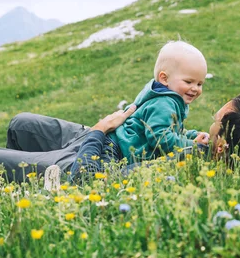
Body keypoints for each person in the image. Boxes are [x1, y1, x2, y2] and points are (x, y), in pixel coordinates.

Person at [0, 93, 240, 191]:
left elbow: (86, 181)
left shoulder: (179, 172)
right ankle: (11, 188)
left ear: (224, 146)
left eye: (216, 121)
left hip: (87, 158)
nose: (209, 123)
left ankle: (19, 197)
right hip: (106, 143)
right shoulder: (202, 152)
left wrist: (99, 130)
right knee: (21, 124)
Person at [73, 41, 210, 172]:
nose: (195, 89)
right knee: (99, 179)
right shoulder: (163, 102)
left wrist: (193, 135)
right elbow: (160, 138)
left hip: (120, 146)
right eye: (188, 82)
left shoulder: (171, 99)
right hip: (115, 149)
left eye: (199, 84)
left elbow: (170, 129)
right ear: (164, 79)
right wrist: (192, 146)